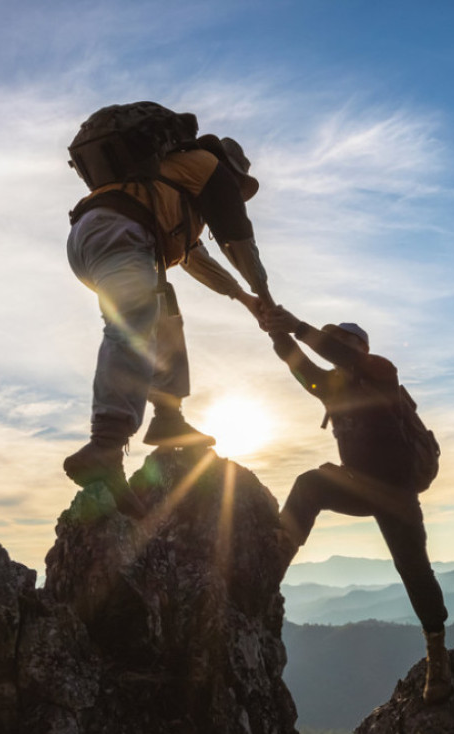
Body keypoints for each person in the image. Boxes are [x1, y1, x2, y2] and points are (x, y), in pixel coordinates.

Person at [64, 114, 272, 519]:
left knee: (164, 316)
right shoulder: (208, 170)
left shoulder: (170, 181)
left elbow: (195, 258)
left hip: (98, 236)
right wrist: (266, 295)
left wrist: (244, 299)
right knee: (134, 325)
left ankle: (168, 417)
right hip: (119, 233)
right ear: (232, 170)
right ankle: (105, 444)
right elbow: (239, 241)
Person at [261, 306, 453, 705]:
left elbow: (338, 354)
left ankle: (438, 654)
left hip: (395, 492)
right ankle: (272, 563)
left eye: (343, 341)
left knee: (413, 569)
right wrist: (276, 332)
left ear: (360, 348)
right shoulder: (331, 387)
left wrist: (296, 326)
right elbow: (298, 365)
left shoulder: (382, 371)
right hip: (356, 485)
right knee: (310, 484)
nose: (336, 346)